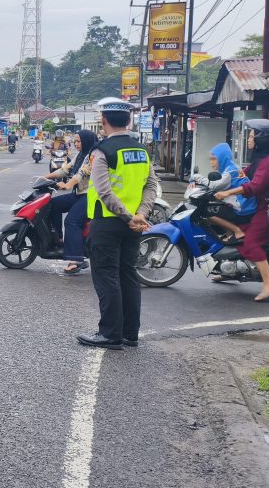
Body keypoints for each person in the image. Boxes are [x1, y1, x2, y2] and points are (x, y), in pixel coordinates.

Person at [77, 98, 158, 350]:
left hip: (108, 223)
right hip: (133, 225)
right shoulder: (141, 150)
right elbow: (151, 185)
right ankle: (130, 333)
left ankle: (110, 333)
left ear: (103, 121)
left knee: (107, 276)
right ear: (129, 120)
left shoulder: (102, 151)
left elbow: (103, 190)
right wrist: (140, 214)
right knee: (128, 275)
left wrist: (128, 215)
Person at [215, 119, 269, 301]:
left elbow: (254, 186)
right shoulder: (261, 159)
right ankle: (231, 272)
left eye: (251, 136)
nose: (248, 139)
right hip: (260, 205)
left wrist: (227, 193)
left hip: (268, 207)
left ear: (263, 139)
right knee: (239, 235)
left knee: (251, 242)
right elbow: (242, 174)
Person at [45, 129, 98, 274]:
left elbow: (82, 172)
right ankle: (59, 240)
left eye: (79, 141)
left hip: (90, 195)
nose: (76, 144)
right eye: (74, 141)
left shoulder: (93, 155)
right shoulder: (80, 155)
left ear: (87, 141)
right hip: (79, 194)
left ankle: (76, 260)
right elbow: (64, 170)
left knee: (72, 221)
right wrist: (45, 178)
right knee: (52, 205)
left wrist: (68, 185)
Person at [191, 143, 255, 243]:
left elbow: (215, 185)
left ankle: (237, 232)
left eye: (214, 159)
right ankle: (230, 234)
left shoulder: (230, 171)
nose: (211, 162)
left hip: (243, 206)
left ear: (222, 158)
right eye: (210, 159)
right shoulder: (228, 168)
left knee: (207, 212)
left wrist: (197, 177)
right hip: (241, 203)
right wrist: (193, 180)